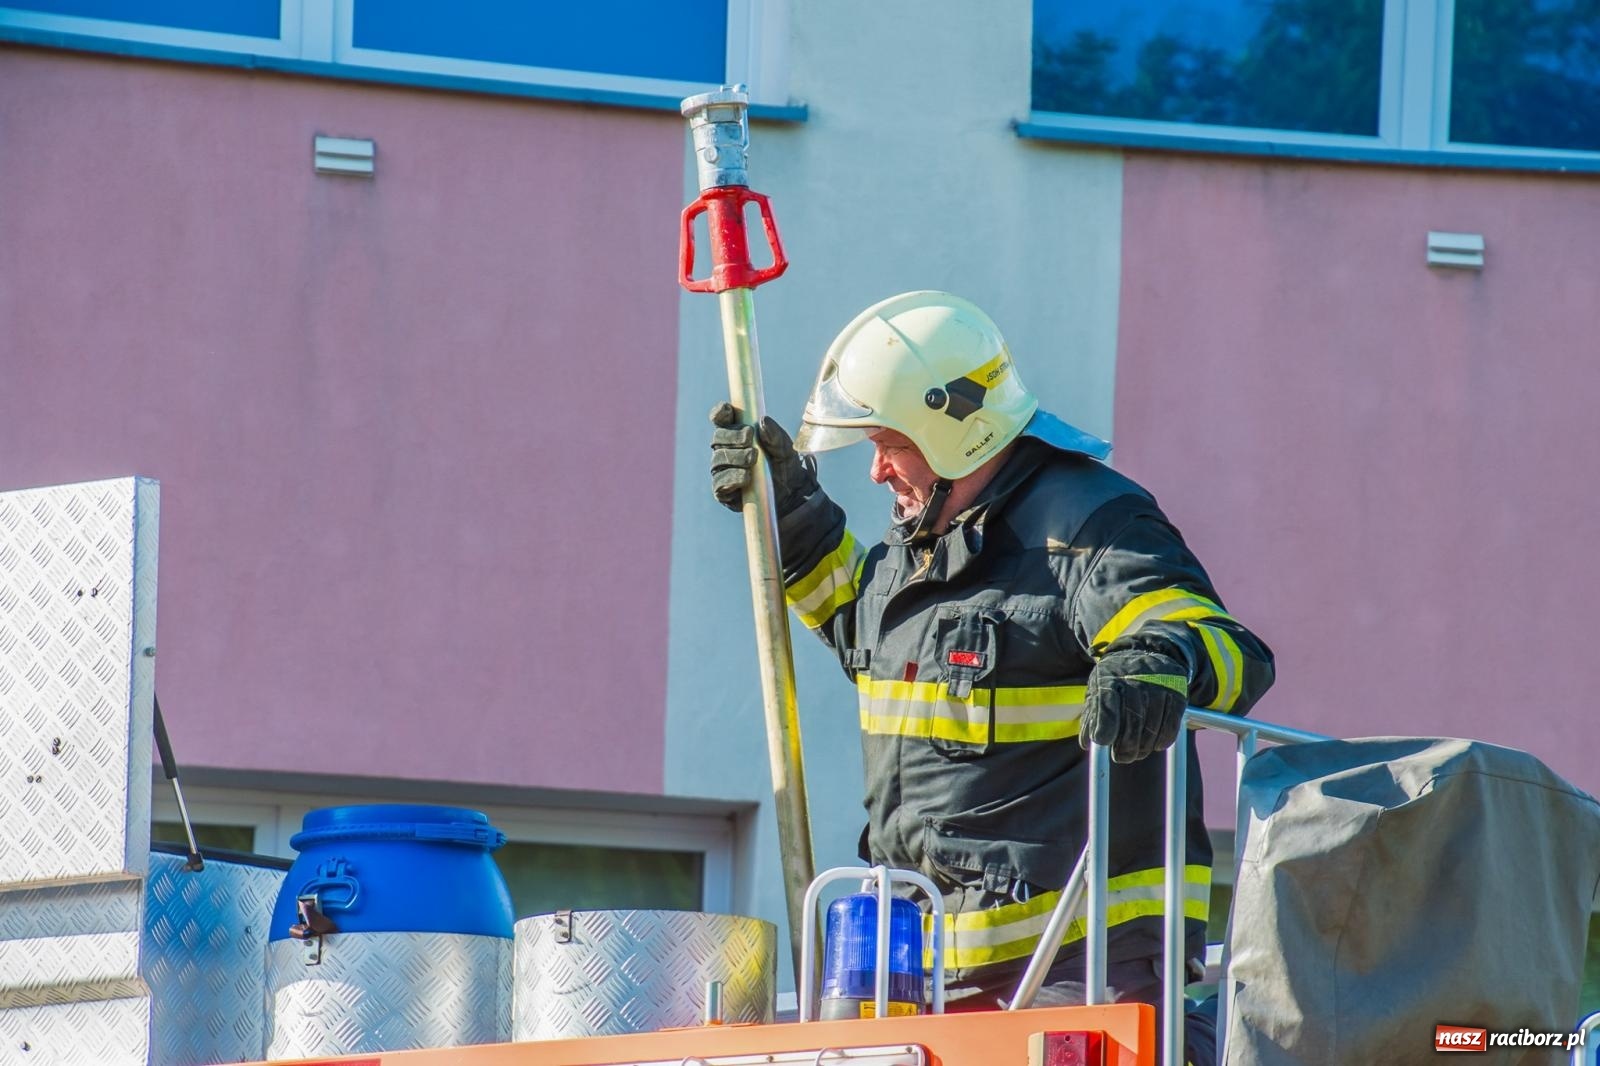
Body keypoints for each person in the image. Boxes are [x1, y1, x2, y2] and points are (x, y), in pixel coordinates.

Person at [709, 291, 1273, 1063]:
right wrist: (797, 521)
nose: (875, 471)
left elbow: (1220, 641)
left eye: (888, 443)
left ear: (955, 432)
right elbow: (862, 627)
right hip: (925, 980)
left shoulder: (1085, 525)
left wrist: (1158, 662)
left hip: (1077, 973)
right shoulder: (925, 543)